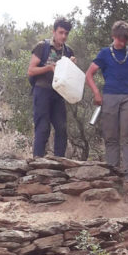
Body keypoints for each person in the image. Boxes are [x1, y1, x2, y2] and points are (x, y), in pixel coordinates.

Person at [85, 21, 128, 182]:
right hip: (109, 97)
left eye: (125, 39)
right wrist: (96, 94)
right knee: (111, 136)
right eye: (120, 39)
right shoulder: (104, 53)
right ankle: (113, 173)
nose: (122, 42)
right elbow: (89, 74)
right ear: (114, 36)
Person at [27, 18, 76, 158]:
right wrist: (49, 68)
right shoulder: (42, 46)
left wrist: (71, 65)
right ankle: (37, 162)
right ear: (54, 32)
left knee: (61, 128)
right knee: (42, 128)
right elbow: (31, 71)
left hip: (59, 92)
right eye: (61, 32)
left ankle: (59, 163)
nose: (64, 36)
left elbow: (69, 75)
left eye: (66, 33)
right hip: (42, 90)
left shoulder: (68, 51)